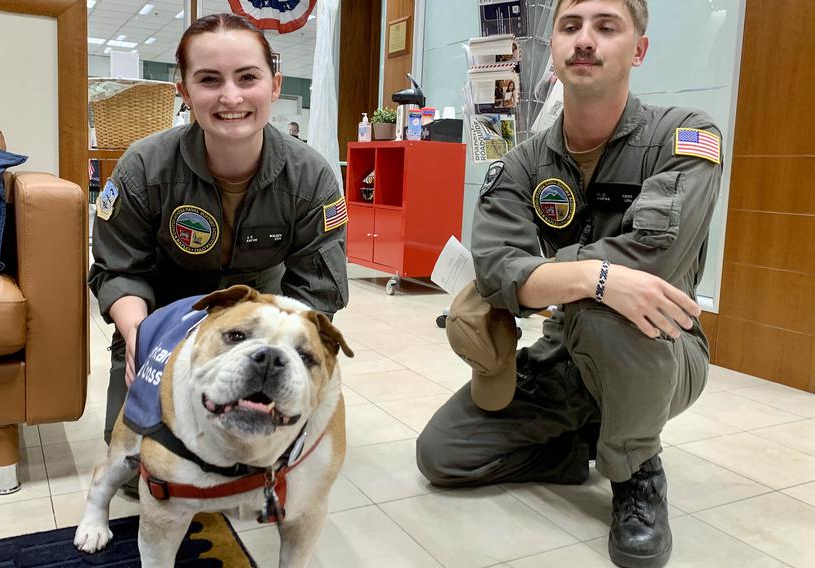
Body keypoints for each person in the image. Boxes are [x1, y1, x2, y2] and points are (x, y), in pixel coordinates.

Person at [417, 1, 722, 567]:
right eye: (571, 26)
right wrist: (593, 276)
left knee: (616, 309)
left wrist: (559, 281)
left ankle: (635, 473)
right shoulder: (522, 164)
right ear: (553, 49)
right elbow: (498, 272)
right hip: (567, 350)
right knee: (443, 455)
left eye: (607, 27)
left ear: (638, 49)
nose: (586, 40)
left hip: (661, 349)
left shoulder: (687, 135)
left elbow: (654, 262)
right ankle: (588, 439)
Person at [89, 13, 349, 456]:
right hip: (163, 320)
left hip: (263, 324)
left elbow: (316, 291)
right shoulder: (143, 167)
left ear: (274, 85)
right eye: (209, 80)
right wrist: (139, 340)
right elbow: (119, 270)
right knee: (139, 461)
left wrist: (275, 360)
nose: (231, 96)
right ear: (185, 92)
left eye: (247, 77)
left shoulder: (311, 178)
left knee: (262, 452)